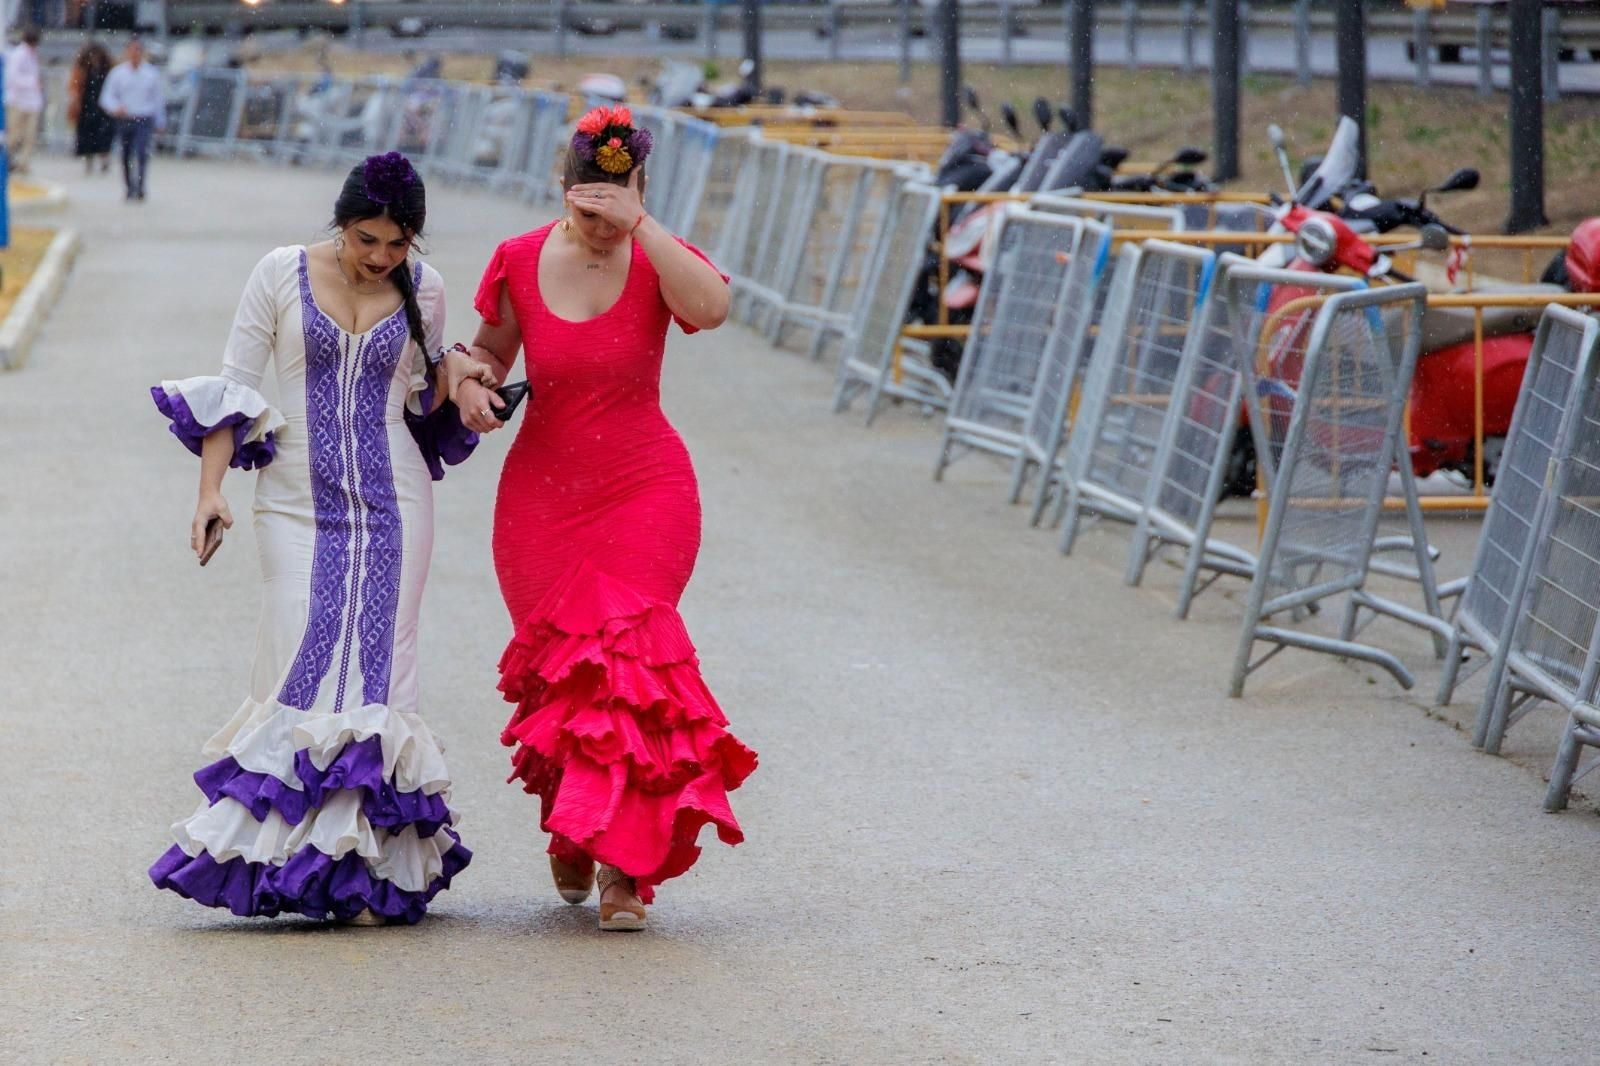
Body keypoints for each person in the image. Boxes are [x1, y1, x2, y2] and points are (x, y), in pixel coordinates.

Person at [147, 153, 495, 925]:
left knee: (379, 675)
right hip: (294, 501)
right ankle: (287, 860)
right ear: (340, 224)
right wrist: (211, 492)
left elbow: (424, 386)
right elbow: (236, 386)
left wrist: (466, 377)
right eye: (366, 239)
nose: (379, 258)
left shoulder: (424, 291)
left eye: (397, 245)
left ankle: (365, 872)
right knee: (301, 660)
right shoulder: (277, 272)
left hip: (394, 501)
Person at [449, 106, 758, 932]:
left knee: (629, 669)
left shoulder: (656, 258)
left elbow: (716, 308)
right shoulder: (517, 259)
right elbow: (490, 353)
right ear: (562, 191)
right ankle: (573, 826)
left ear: (639, 193)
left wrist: (644, 228)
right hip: (542, 498)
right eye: (586, 210)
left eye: (614, 208)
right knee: (564, 674)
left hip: (644, 487)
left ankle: (626, 869)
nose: (599, 227)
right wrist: (470, 382)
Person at [99, 36, 165, 201]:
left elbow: (158, 99)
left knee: (142, 152)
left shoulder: (151, 74)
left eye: (138, 50)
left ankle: (141, 186)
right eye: (132, 50)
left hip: (143, 117)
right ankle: (129, 186)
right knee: (126, 154)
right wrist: (116, 108)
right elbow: (106, 97)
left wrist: (160, 120)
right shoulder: (118, 73)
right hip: (125, 118)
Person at [67, 39, 116, 173]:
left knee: (104, 134)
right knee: (87, 135)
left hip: (103, 107)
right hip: (87, 106)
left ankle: (104, 158)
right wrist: (75, 100)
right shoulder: (82, 69)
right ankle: (89, 161)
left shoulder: (108, 68)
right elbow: (74, 87)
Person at [4, 27, 44, 176]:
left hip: (32, 102)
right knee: (14, 135)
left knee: (30, 136)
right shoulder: (18, 55)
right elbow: (12, 77)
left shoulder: (33, 55)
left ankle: (23, 164)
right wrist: (32, 82)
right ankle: (6, 161)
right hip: (18, 101)